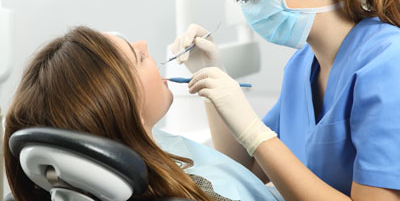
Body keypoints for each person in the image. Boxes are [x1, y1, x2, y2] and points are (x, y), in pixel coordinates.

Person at [171, 0, 400, 200]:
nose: (247, 1)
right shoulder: (302, 66)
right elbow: (248, 165)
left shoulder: (388, 63)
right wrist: (211, 75)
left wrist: (254, 131)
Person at [3, 26, 283, 201]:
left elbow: (235, 171)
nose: (144, 44)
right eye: (138, 58)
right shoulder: (193, 191)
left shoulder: (142, 145)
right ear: (131, 113)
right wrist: (255, 134)